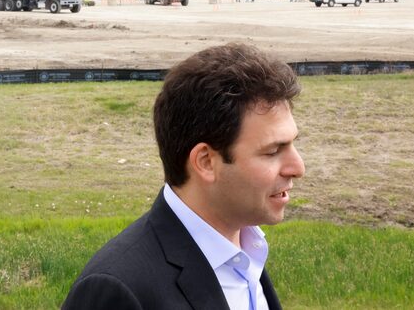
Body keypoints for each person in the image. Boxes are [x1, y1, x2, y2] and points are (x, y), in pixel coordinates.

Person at [63, 43, 305, 310]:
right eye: (272, 152)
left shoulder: (247, 253)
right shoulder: (117, 290)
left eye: (293, 144)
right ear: (205, 162)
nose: (298, 167)